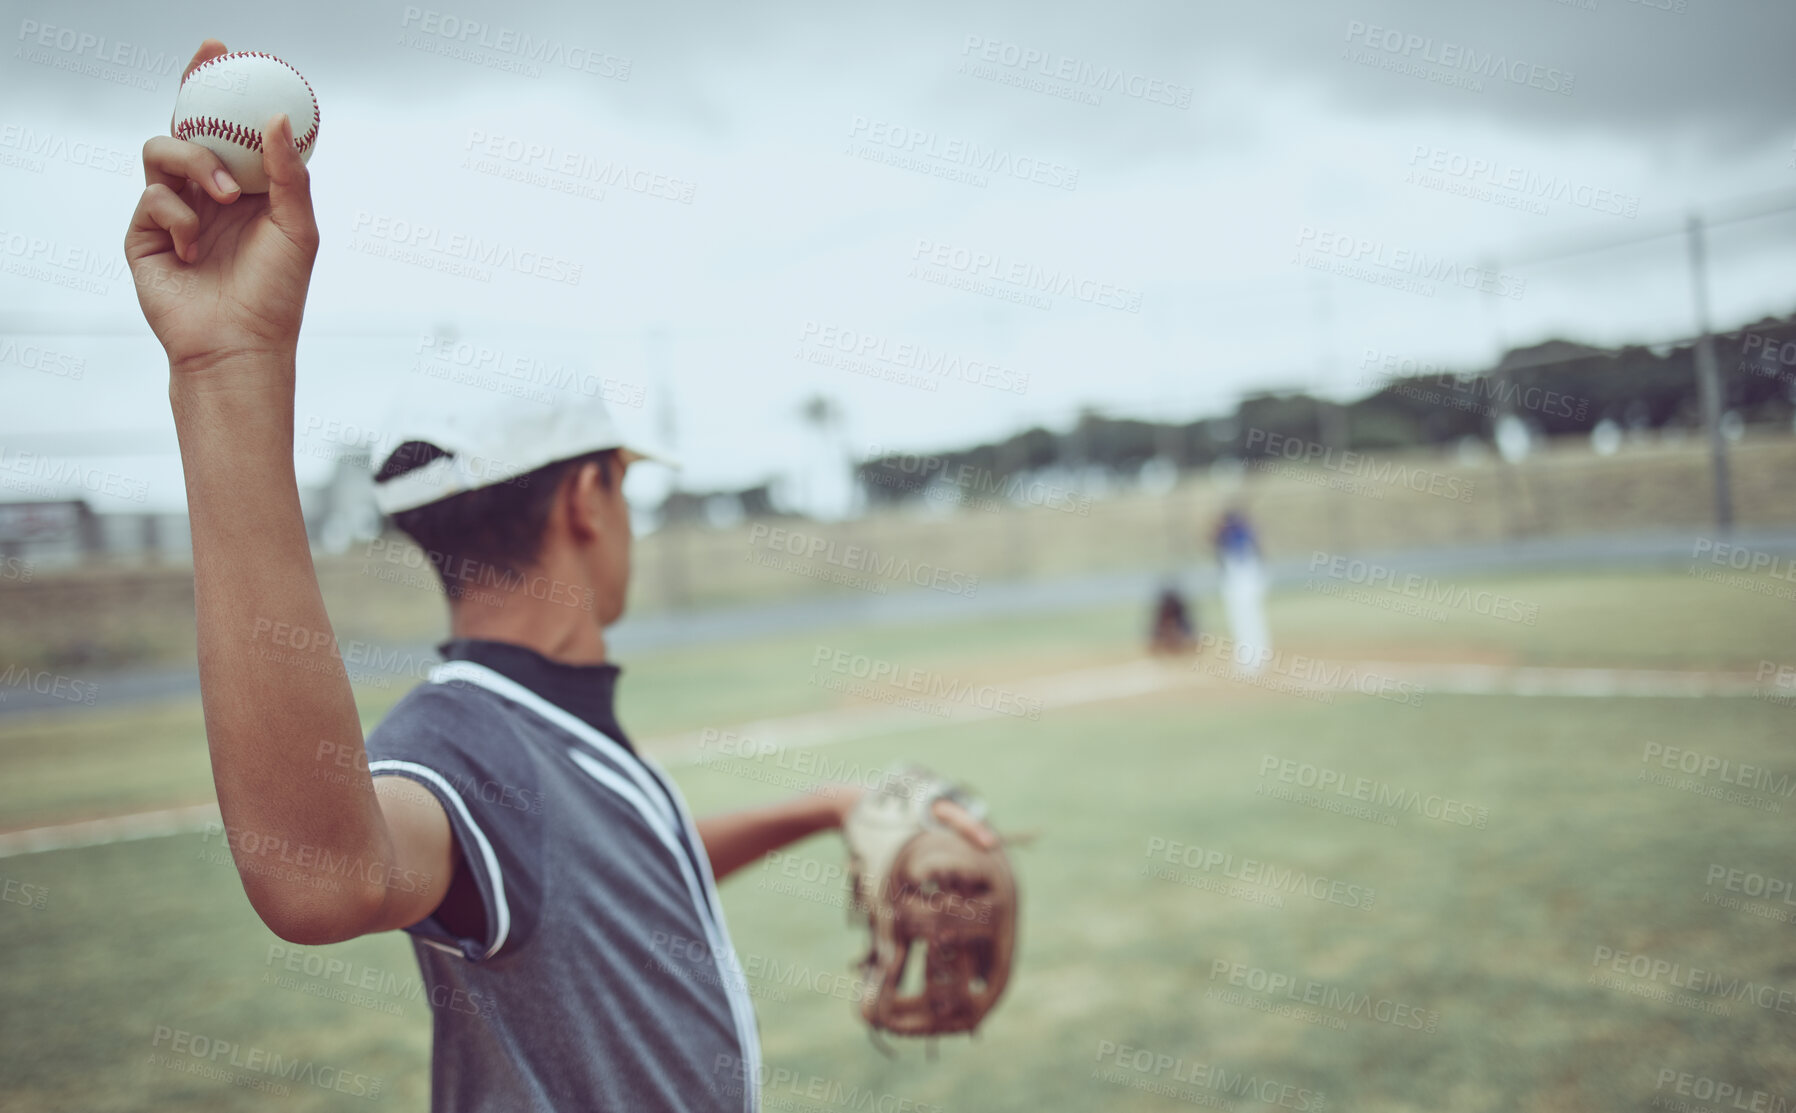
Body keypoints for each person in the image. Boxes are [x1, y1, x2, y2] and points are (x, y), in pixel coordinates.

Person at [124, 39, 996, 1113]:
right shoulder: (466, 748)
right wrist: (229, 367)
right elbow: (319, 874)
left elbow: (609, 879)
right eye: (624, 483)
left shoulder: (529, 734)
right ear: (588, 496)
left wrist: (822, 807)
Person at [1212, 507, 1270, 675]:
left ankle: (1253, 656)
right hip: (1243, 575)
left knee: (1245, 617)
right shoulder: (1242, 533)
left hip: (1241, 576)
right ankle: (1252, 654)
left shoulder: (1232, 534)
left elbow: (1219, 549)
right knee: (1247, 617)